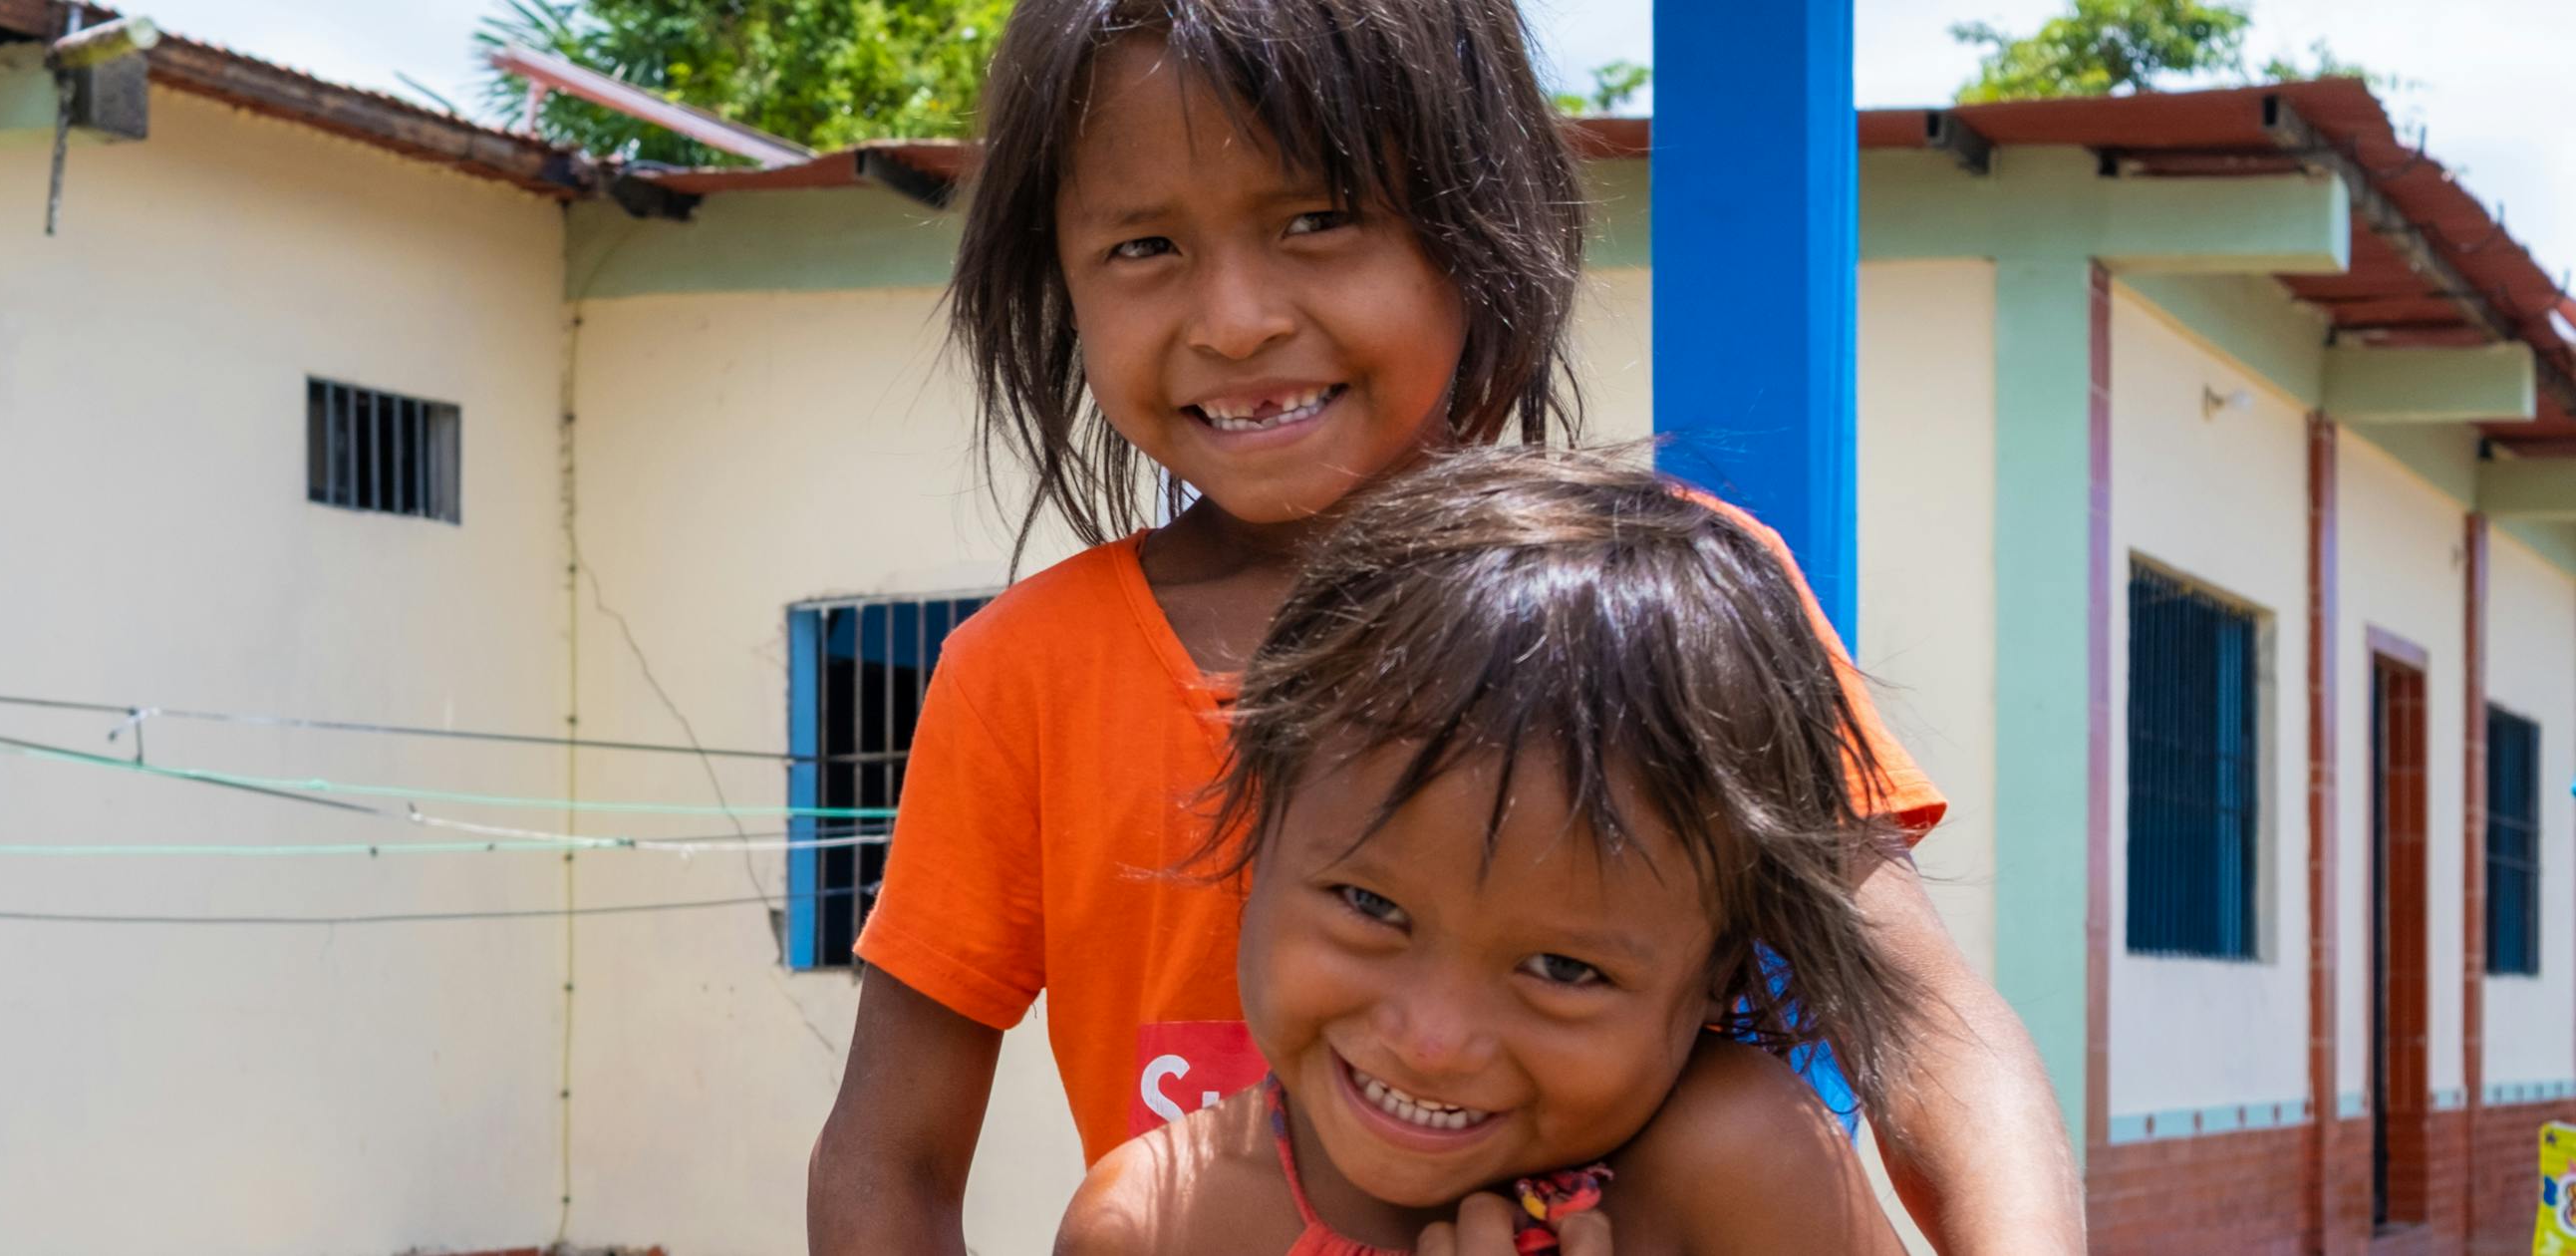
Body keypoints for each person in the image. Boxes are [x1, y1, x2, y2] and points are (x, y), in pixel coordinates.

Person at [804, 0, 2083, 1250]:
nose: (1236, 317)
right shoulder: (1025, 673)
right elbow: (888, 1162)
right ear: (1060, 278)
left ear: (1479, 229)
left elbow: (1923, 1023)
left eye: (1318, 220)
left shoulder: (1669, 604)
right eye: (1145, 247)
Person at [1054, 445, 1917, 1255]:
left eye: (1563, 969)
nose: (1434, 1041)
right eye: (1371, 906)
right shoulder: (1156, 1222)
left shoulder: (1739, 1167)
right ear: (1259, 831)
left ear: (1718, 972)